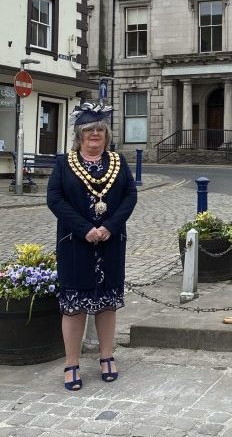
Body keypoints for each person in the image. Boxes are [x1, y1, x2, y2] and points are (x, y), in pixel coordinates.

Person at [47, 102, 138, 391]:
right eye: (89, 130)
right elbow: (55, 200)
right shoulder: (64, 163)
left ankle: (106, 356)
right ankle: (71, 363)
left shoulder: (118, 162)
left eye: (99, 129)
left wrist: (110, 226)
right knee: (74, 307)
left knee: (107, 302)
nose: (95, 134)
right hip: (75, 244)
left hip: (110, 244)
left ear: (106, 134)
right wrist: (85, 229)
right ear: (80, 135)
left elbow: (129, 197)